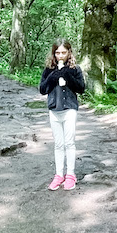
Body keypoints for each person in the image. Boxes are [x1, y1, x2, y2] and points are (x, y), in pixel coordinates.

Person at [39, 38, 86, 190]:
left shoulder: (75, 69)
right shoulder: (48, 69)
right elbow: (42, 89)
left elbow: (81, 88)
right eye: (57, 53)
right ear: (54, 54)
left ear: (69, 53)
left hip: (70, 109)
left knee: (69, 142)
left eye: (63, 52)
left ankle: (70, 175)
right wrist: (54, 76)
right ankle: (59, 175)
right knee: (58, 144)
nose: (60, 56)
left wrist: (67, 75)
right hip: (54, 109)